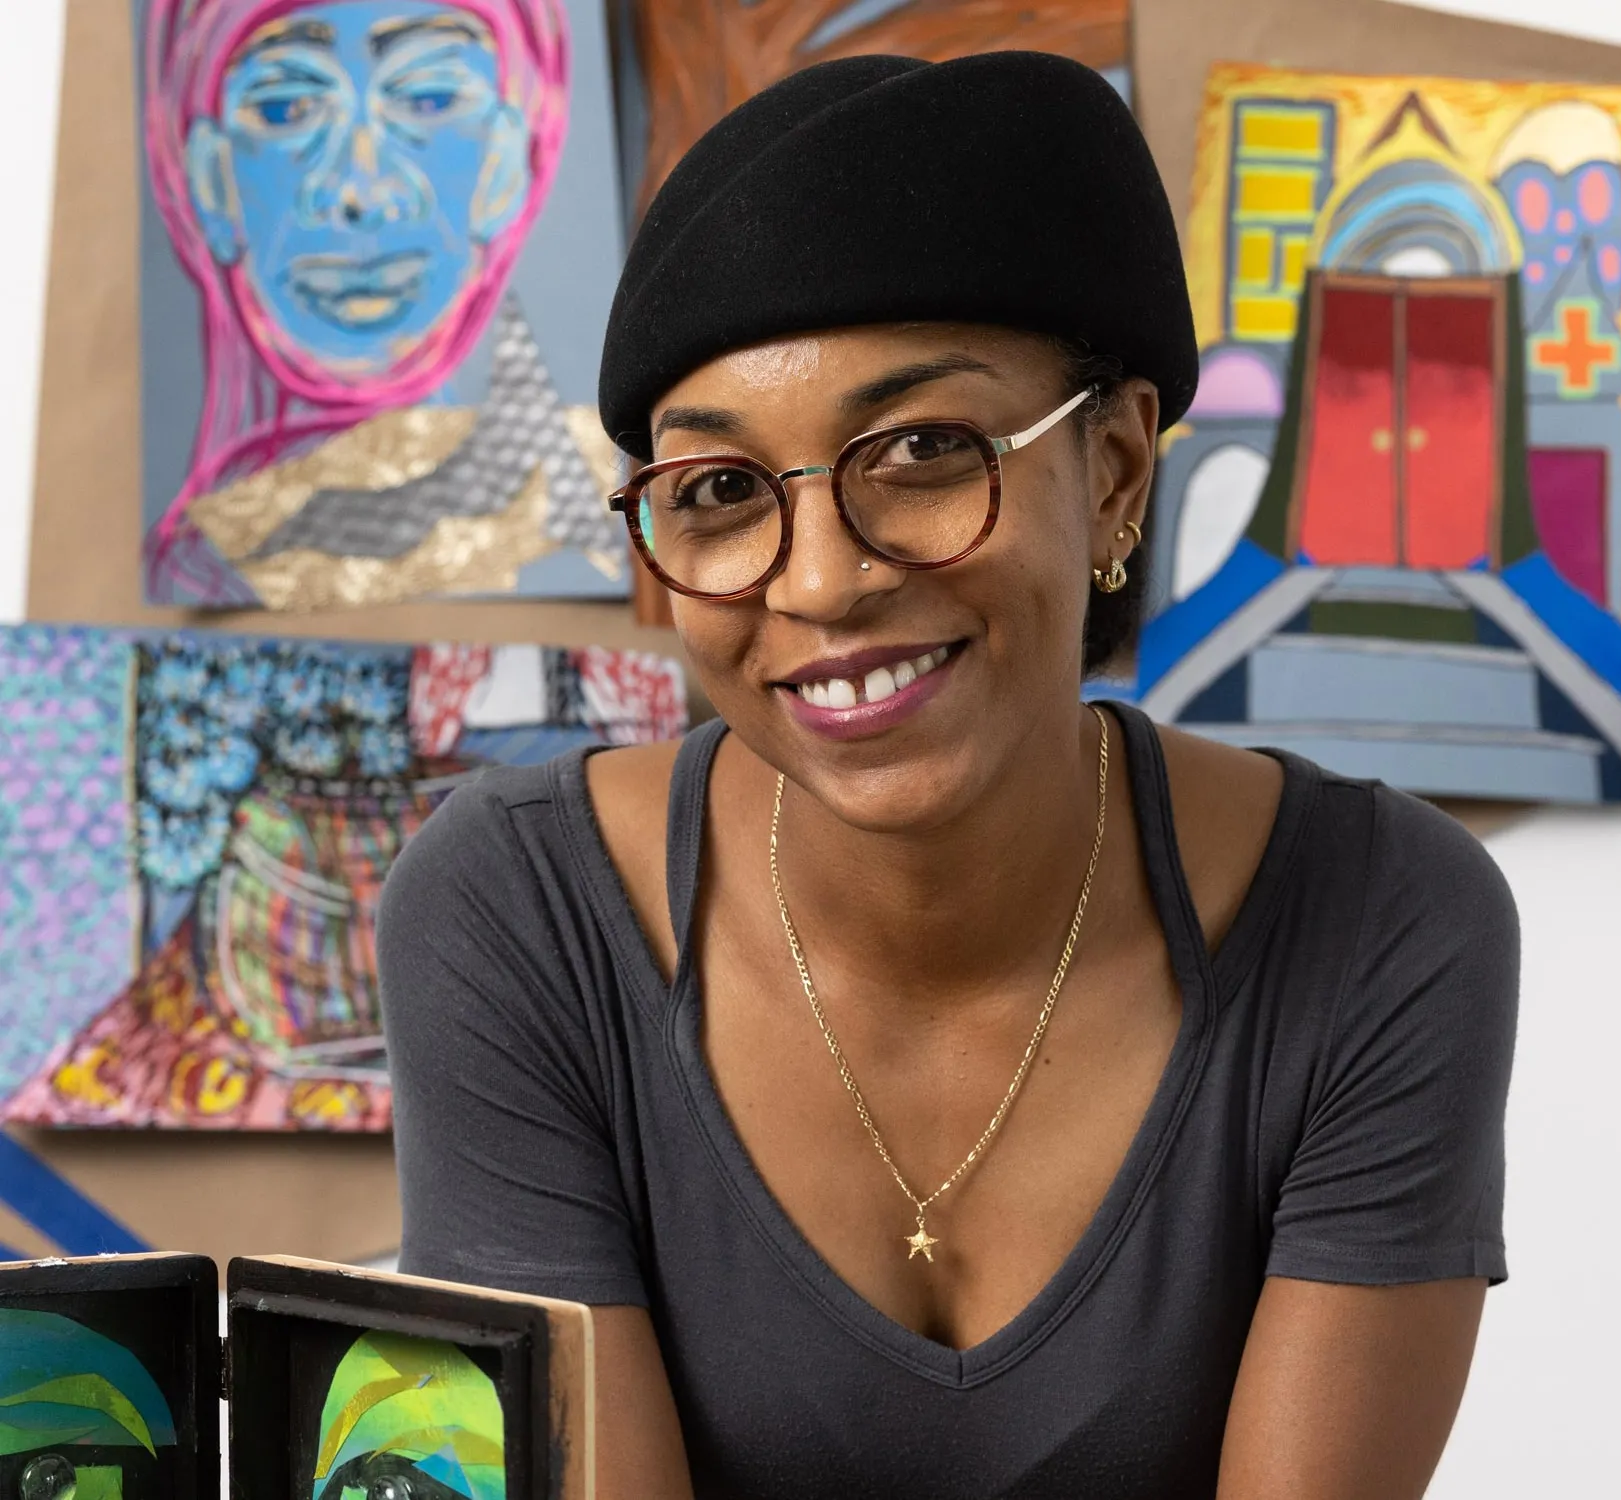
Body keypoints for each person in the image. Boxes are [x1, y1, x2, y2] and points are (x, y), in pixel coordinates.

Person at [381, 52, 1519, 1499]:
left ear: (1112, 470)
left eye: (921, 451)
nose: (823, 581)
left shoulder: (1382, 923)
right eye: (720, 494)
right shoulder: (518, 916)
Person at [143, 0, 619, 607]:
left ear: (505, 163)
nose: (360, 189)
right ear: (210, 180)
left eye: (430, 99)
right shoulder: (196, 564)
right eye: (285, 108)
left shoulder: (593, 515)